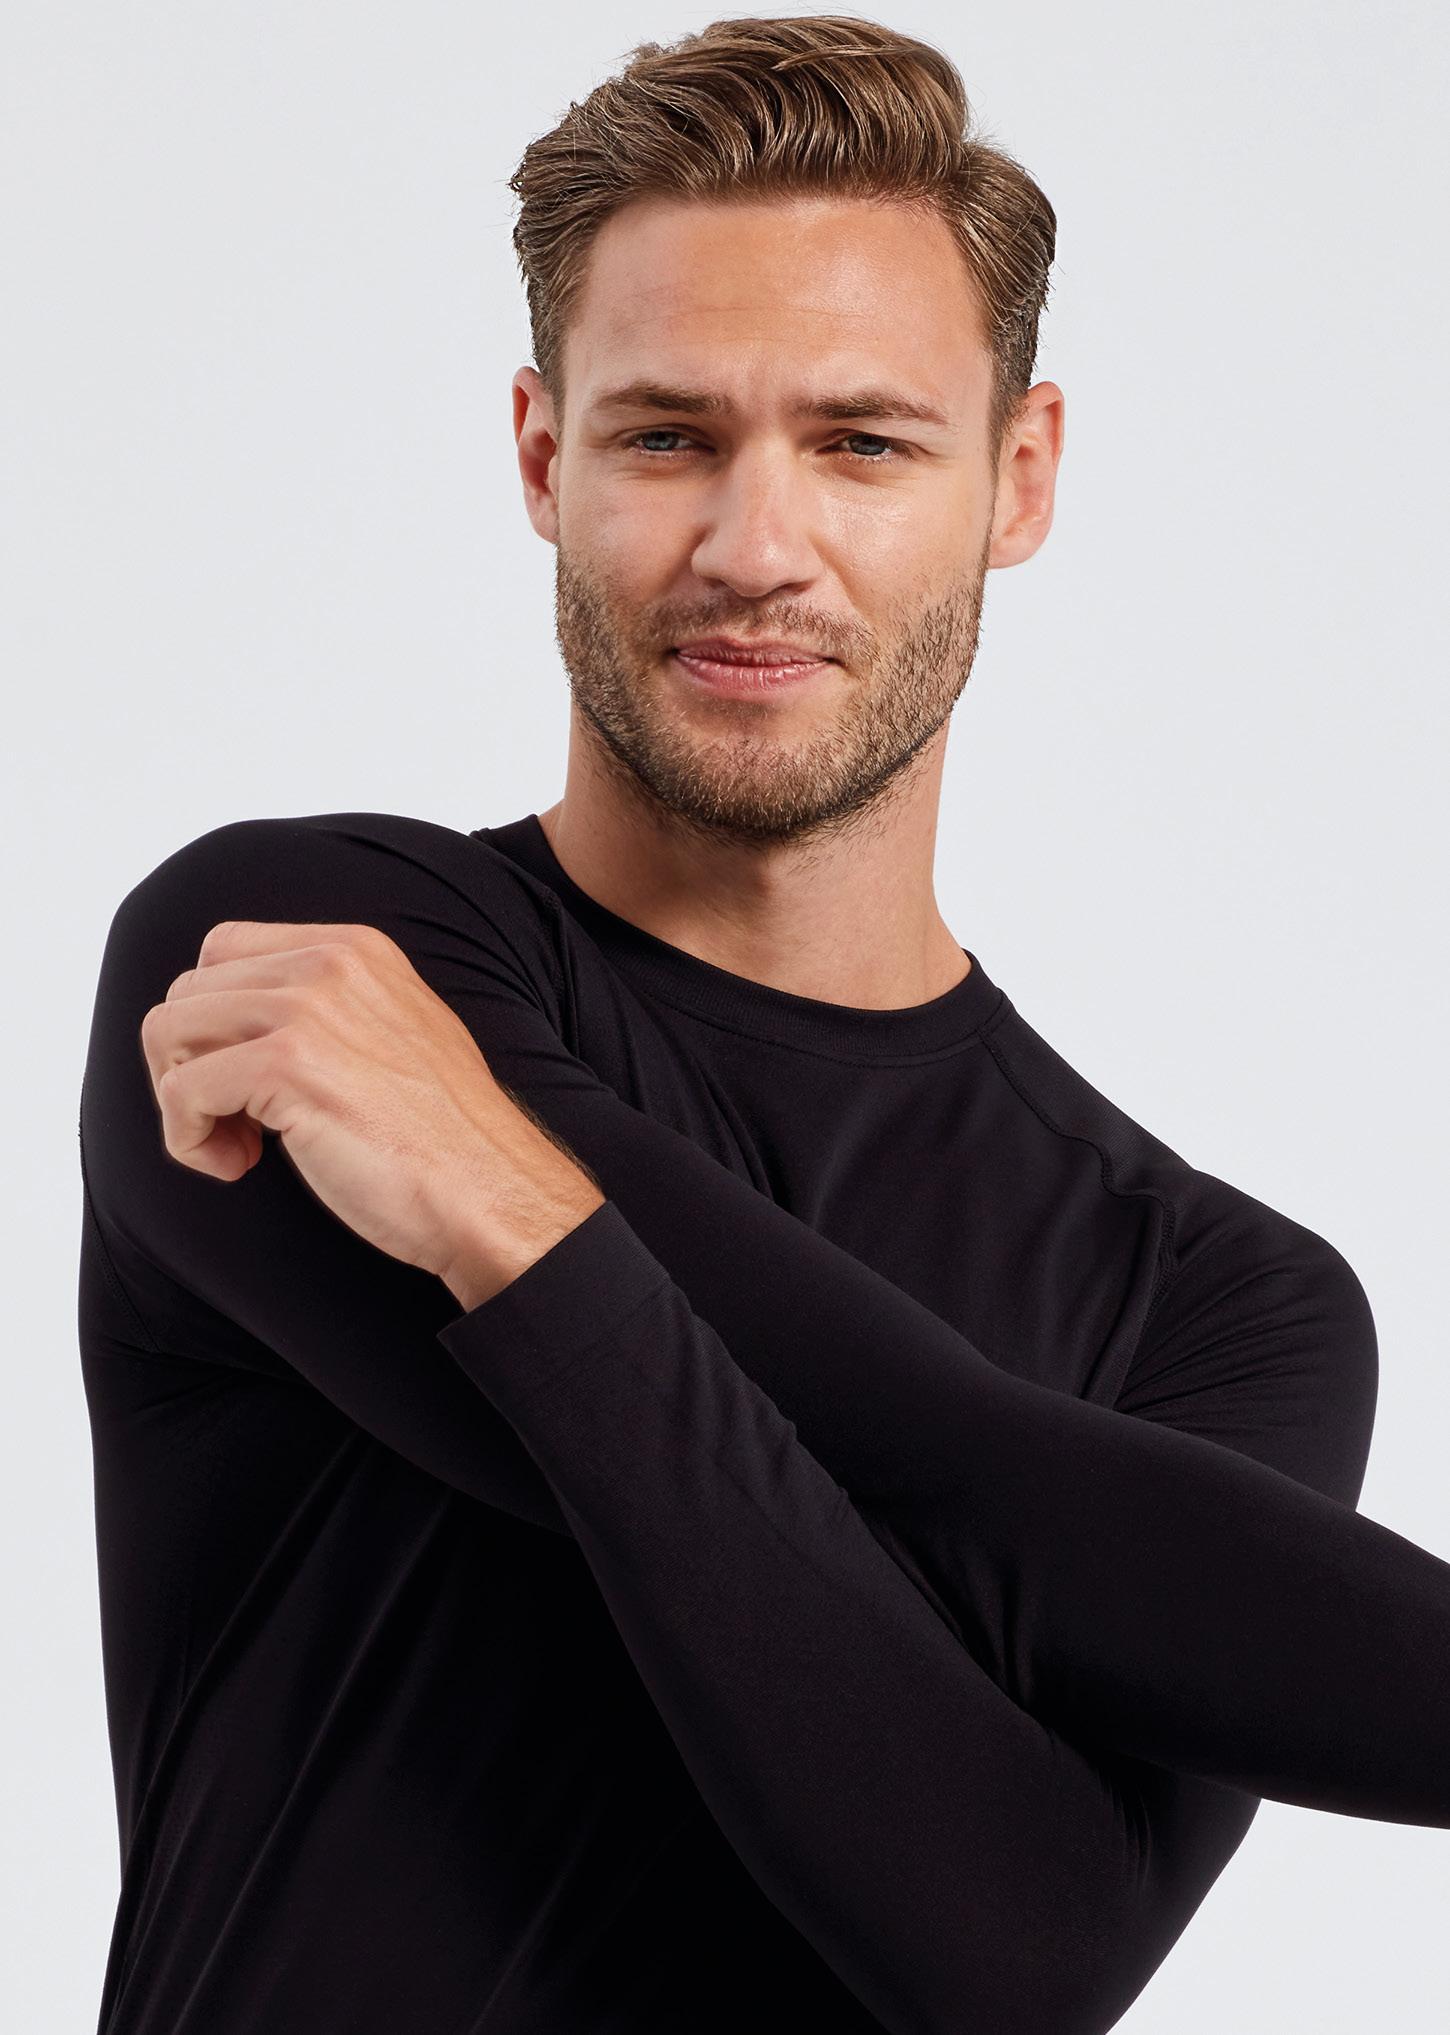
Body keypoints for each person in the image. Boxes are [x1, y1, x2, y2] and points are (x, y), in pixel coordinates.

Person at [76, 16, 1449, 2035]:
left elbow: (1009, 1955)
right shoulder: (299, 968)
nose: (751, 548)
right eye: (665, 438)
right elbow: (980, 1507)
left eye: (861, 442)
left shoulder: (1217, 1304)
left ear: (1017, 477)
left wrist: (515, 1223)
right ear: (540, 456)